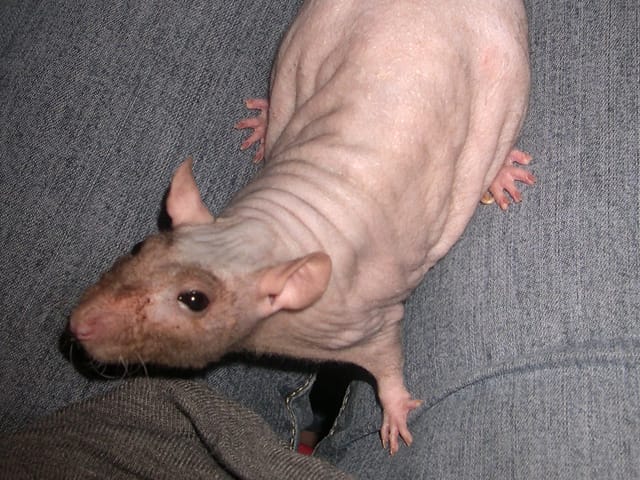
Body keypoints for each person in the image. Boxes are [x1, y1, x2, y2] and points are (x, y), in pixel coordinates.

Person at [1, 1, 638, 478]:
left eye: (193, 299)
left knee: (471, 72)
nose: (85, 321)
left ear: (289, 288)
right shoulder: (242, 260)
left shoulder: (322, 301)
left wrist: (392, 392)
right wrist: (287, 131)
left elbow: (379, 333)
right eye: (145, 251)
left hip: (458, 31)